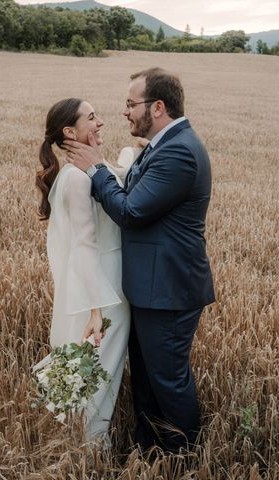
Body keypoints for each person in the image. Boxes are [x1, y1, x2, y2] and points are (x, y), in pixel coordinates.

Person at [64, 68, 215, 452]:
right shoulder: (165, 144)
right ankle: (149, 449)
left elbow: (131, 211)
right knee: (147, 379)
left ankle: (182, 457)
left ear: (158, 107)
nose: (125, 112)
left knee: (168, 380)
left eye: (131, 104)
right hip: (152, 289)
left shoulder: (179, 150)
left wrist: (96, 168)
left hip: (169, 291)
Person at [35, 98, 132, 444]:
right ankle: (89, 447)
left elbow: (116, 174)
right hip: (103, 290)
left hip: (102, 285)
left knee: (90, 369)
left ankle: (75, 440)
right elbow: (84, 246)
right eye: (92, 118)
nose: (101, 122)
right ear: (70, 132)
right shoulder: (76, 178)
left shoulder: (85, 170)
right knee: (97, 373)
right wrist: (95, 309)